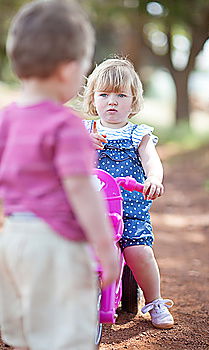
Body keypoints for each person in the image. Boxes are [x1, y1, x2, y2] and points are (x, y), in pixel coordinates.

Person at [0, 1, 119, 350]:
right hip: (57, 245)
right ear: (68, 70)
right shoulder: (66, 125)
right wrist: (104, 247)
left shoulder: (7, 118)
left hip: (13, 241)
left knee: (24, 333)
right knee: (66, 337)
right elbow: (82, 189)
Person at [82, 58, 174, 329]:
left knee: (139, 252)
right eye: (105, 94)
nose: (112, 101)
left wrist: (154, 178)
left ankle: (155, 301)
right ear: (93, 99)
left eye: (121, 95)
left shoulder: (139, 134)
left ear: (133, 101)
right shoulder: (85, 131)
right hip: (90, 209)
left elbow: (150, 160)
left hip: (130, 208)